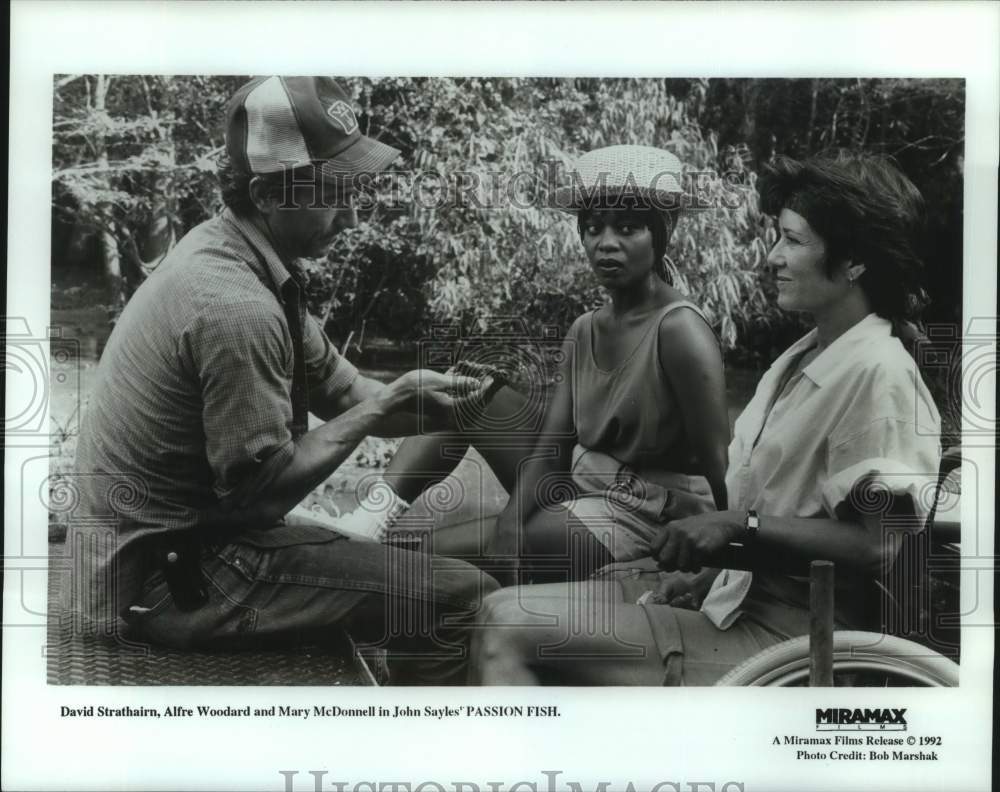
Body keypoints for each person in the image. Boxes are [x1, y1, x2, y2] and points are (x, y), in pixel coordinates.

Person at [64, 76, 498, 685]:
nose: (350, 216)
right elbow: (263, 496)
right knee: (469, 593)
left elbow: (347, 394)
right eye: (334, 195)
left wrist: (450, 403)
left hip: (184, 548)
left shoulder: (242, 256)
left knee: (415, 564)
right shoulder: (235, 306)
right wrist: (389, 405)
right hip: (169, 581)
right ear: (269, 194)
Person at [470, 150, 942, 685]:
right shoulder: (805, 358)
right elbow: (783, 510)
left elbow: (879, 545)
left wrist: (738, 525)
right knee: (501, 604)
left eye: (792, 240)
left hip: (789, 641)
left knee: (505, 625)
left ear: (854, 260)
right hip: (732, 598)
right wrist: (707, 574)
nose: (772, 257)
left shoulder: (879, 373)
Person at [487, 145, 730, 583]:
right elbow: (553, 444)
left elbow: (721, 463)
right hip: (590, 480)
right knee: (468, 397)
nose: (606, 244)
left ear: (663, 232)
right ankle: (376, 517)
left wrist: (722, 563)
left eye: (628, 228)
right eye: (594, 228)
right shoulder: (584, 329)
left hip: (650, 509)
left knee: (455, 553)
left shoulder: (679, 331)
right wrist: (510, 518)